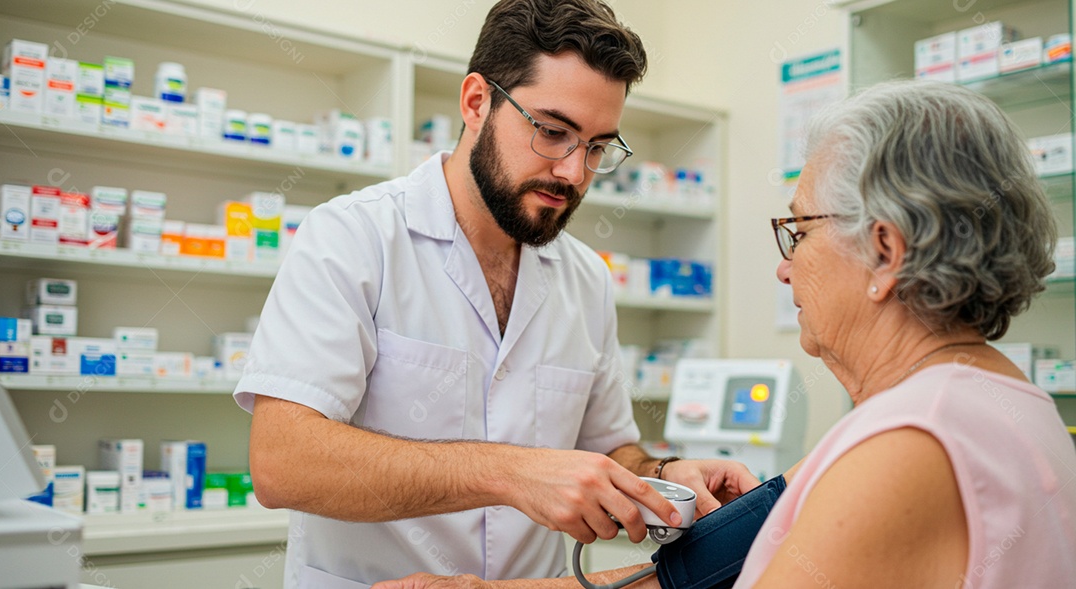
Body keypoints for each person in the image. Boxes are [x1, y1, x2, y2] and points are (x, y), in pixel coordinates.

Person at [370, 81, 1076, 589]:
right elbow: (692, 576)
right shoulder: (998, 404)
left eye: (798, 230)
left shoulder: (910, 445)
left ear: (886, 251)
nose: (782, 265)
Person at [234, 1, 759, 587]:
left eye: (596, 147)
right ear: (476, 102)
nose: (573, 172)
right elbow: (282, 463)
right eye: (553, 132)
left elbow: (610, 448)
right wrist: (513, 473)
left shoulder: (584, 278)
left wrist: (662, 473)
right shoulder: (354, 238)